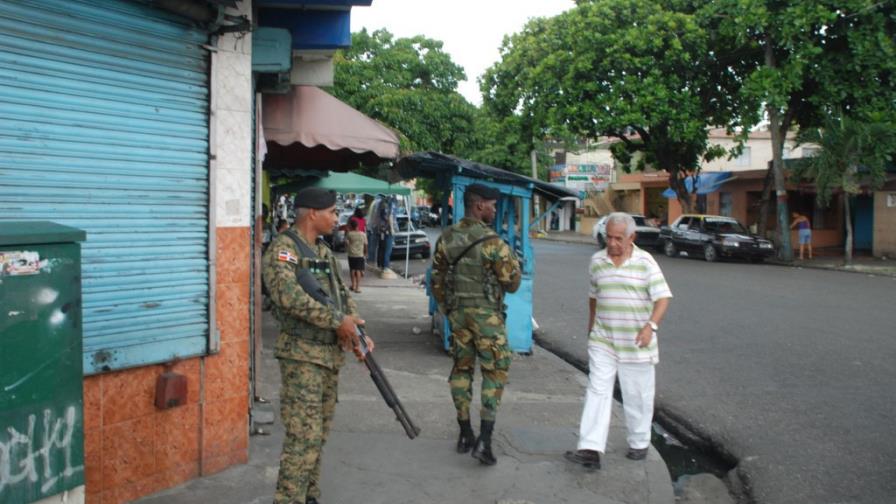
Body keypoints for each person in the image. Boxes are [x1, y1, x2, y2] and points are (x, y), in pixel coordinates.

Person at [262, 187, 372, 504]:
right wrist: (337, 322)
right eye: (333, 213)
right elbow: (288, 297)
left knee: (318, 435)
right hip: (301, 357)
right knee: (302, 438)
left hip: (327, 357)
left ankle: (309, 495)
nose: (337, 219)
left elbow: (340, 294)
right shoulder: (284, 250)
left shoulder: (321, 252)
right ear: (313, 213)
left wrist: (356, 328)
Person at [564, 212, 672, 470]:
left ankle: (639, 442)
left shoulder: (646, 262)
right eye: (608, 237)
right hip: (604, 341)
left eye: (618, 238)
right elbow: (594, 296)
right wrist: (591, 327)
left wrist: (651, 327)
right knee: (597, 390)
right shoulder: (597, 261)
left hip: (636, 342)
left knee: (638, 395)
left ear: (631, 237)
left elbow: (663, 298)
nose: (612, 243)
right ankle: (590, 448)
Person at [431, 183, 522, 466]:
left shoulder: (447, 238)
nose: (495, 210)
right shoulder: (493, 242)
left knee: (461, 370)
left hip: (458, 316)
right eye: (492, 205)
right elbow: (512, 283)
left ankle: (464, 433)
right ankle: (485, 439)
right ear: (479, 205)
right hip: (487, 319)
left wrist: (450, 309)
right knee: (494, 372)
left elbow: (437, 281)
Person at [345, 219, 367, 293]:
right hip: (360, 255)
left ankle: (353, 285)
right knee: (358, 270)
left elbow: (346, 243)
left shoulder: (349, 234)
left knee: (352, 269)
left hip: (351, 254)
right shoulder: (363, 234)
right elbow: (365, 244)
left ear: (351, 226)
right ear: (357, 226)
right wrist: (365, 253)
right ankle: (358, 287)